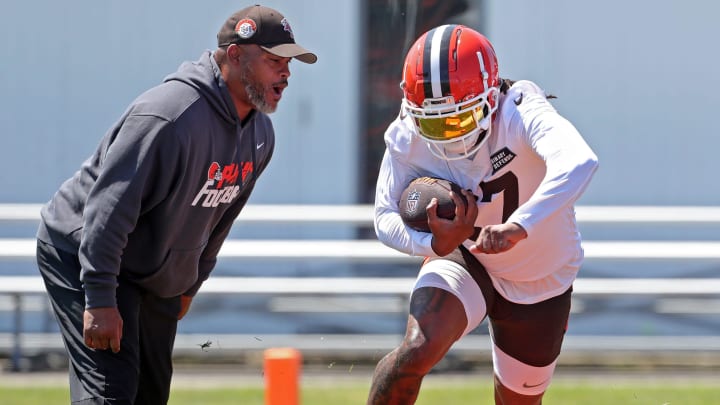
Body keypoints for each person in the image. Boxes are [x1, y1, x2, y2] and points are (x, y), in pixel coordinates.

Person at [35, 5, 316, 404]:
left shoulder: (260, 135)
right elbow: (108, 209)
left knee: (150, 395)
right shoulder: (169, 117)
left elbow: (220, 218)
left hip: (151, 266)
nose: (286, 74)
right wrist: (99, 297)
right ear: (235, 55)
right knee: (110, 394)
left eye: (288, 63)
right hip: (86, 250)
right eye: (274, 61)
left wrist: (191, 283)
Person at [368, 24, 598, 404]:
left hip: (538, 277)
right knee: (415, 352)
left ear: (491, 96)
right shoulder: (407, 134)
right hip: (466, 256)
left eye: (457, 120)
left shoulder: (521, 108)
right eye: (433, 123)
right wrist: (433, 242)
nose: (446, 137)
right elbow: (384, 217)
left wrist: (519, 226)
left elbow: (579, 162)